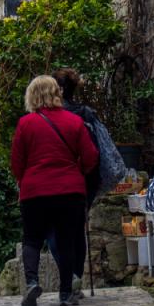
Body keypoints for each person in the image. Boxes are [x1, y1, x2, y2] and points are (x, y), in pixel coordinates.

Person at [11, 74, 98, 306]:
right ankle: (65, 293)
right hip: (69, 190)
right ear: (57, 93)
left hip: (34, 191)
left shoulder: (25, 124)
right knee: (66, 240)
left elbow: (17, 162)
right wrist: (77, 171)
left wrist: (25, 179)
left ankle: (32, 283)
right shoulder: (74, 122)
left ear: (32, 96)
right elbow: (91, 157)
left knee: (32, 239)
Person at [49, 67, 102, 293]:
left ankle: (69, 273)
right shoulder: (86, 113)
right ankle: (76, 277)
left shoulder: (50, 116)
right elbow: (94, 152)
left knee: (52, 229)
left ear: (59, 90)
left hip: (57, 180)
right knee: (77, 230)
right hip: (85, 179)